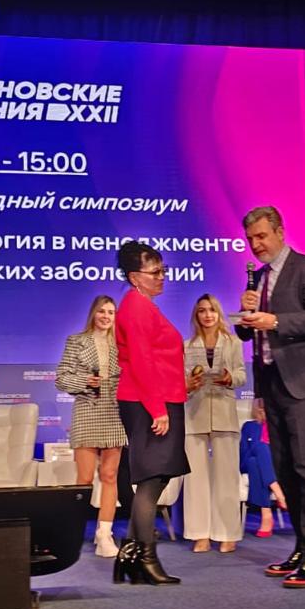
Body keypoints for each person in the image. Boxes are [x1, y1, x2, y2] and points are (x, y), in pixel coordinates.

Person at [236, 206, 305, 588]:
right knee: (285, 468)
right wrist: (247, 315)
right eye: (251, 239)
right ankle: (301, 547)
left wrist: (274, 320)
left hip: (304, 382)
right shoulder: (259, 278)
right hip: (273, 384)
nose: (256, 244)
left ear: (279, 232)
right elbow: (250, 335)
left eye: (261, 236)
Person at [113, 240, 188, 585]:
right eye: (154, 272)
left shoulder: (143, 305)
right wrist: (158, 409)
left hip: (157, 399)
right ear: (134, 277)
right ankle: (146, 558)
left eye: (163, 270)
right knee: (152, 479)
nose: (161, 277)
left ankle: (130, 555)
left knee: (157, 476)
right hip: (148, 402)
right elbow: (142, 362)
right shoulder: (135, 308)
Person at [55, 295, 127, 557]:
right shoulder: (76, 341)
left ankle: (104, 535)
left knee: (110, 475)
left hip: (115, 410)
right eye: (102, 311)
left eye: (111, 312)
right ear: (93, 314)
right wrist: (85, 381)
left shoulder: (122, 343)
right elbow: (61, 379)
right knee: (84, 478)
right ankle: (73, 532)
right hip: (87, 409)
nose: (106, 316)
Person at [183, 294, 246, 553]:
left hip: (224, 412)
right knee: (195, 478)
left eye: (212, 310)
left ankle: (228, 533)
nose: (207, 315)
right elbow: (179, 380)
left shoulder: (233, 342)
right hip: (194, 413)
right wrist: (188, 384)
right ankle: (200, 534)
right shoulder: (187, 345)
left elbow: (241, 374)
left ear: (219, 313)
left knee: (226, 476)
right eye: (202, 310)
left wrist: (230, 378)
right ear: (196, 315)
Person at [239, 398, 288, 537]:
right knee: (258, 452)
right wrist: (260, 447)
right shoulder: (249, 426)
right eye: (260, 407)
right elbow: (243, 453)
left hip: (275, 466)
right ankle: (279, 493)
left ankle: (266, 516)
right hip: (247, 463)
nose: (263, 409)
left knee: (255, 463)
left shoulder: (281, 426)